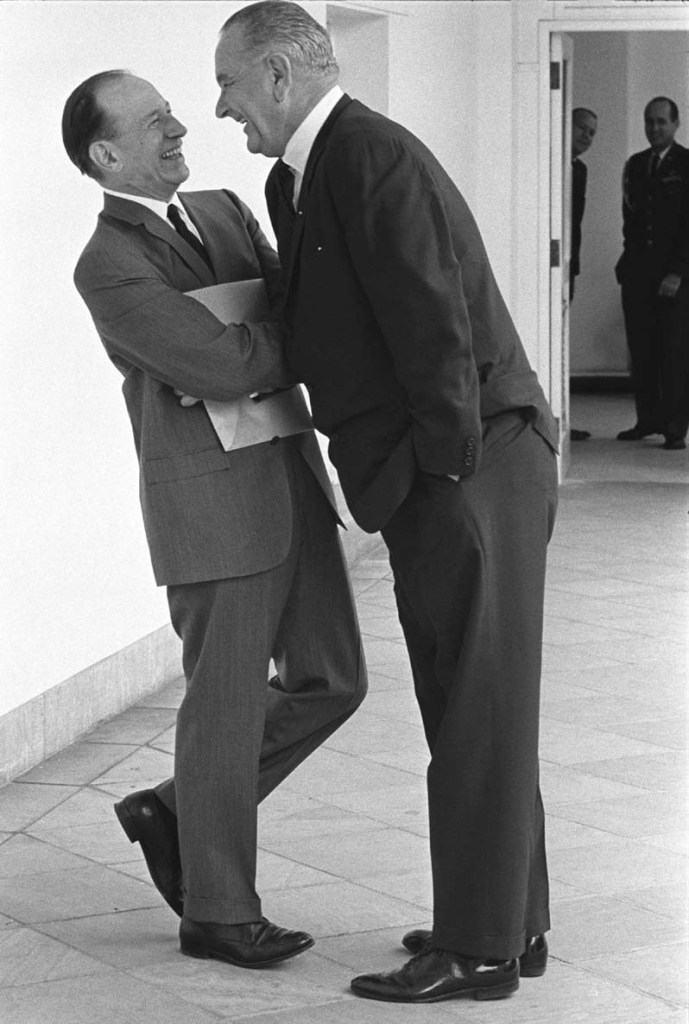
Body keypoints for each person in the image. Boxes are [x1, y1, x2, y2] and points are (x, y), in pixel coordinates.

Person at [212, 1, 559, 1004]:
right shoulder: (302, 175)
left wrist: (439, 481)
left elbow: (434, 325)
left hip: (470, 466)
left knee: (477, 709)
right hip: (446, 470)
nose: (223, 105)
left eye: (229, 82)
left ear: (278, 75)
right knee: (471, 704)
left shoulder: (367, 156)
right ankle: (509, 921)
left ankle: (478, 950)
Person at [62, 70, 367, 969]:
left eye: (172, 114)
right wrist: (259, 337)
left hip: (290, 478)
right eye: (154, 122)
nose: (179, 129)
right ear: (106, 154)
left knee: (333, 682)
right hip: (211, 509)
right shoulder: (107, 263)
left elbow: (280, 317)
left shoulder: (226, 210)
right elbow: (223, 366)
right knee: (225, 711)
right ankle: (218, 912)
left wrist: (245, 337)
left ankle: (171, 810)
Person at [615, 96, 689, 451]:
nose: (654, 128)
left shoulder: (686, 164)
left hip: (675, 277)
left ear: (676, 124)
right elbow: (630, 219)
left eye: (661, 121)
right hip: (638, 275)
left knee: (674, 353)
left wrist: (678, 271)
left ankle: (674, 428)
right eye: (649, 121)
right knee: (642, 350)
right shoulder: (636, 165)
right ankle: (647, 419)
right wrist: (625, 265)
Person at [570, 107, 598, 442]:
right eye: (582, 127)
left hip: (567, 264)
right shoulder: (553, 162)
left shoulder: (580, 169)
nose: (586, 136)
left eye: (592, 132)